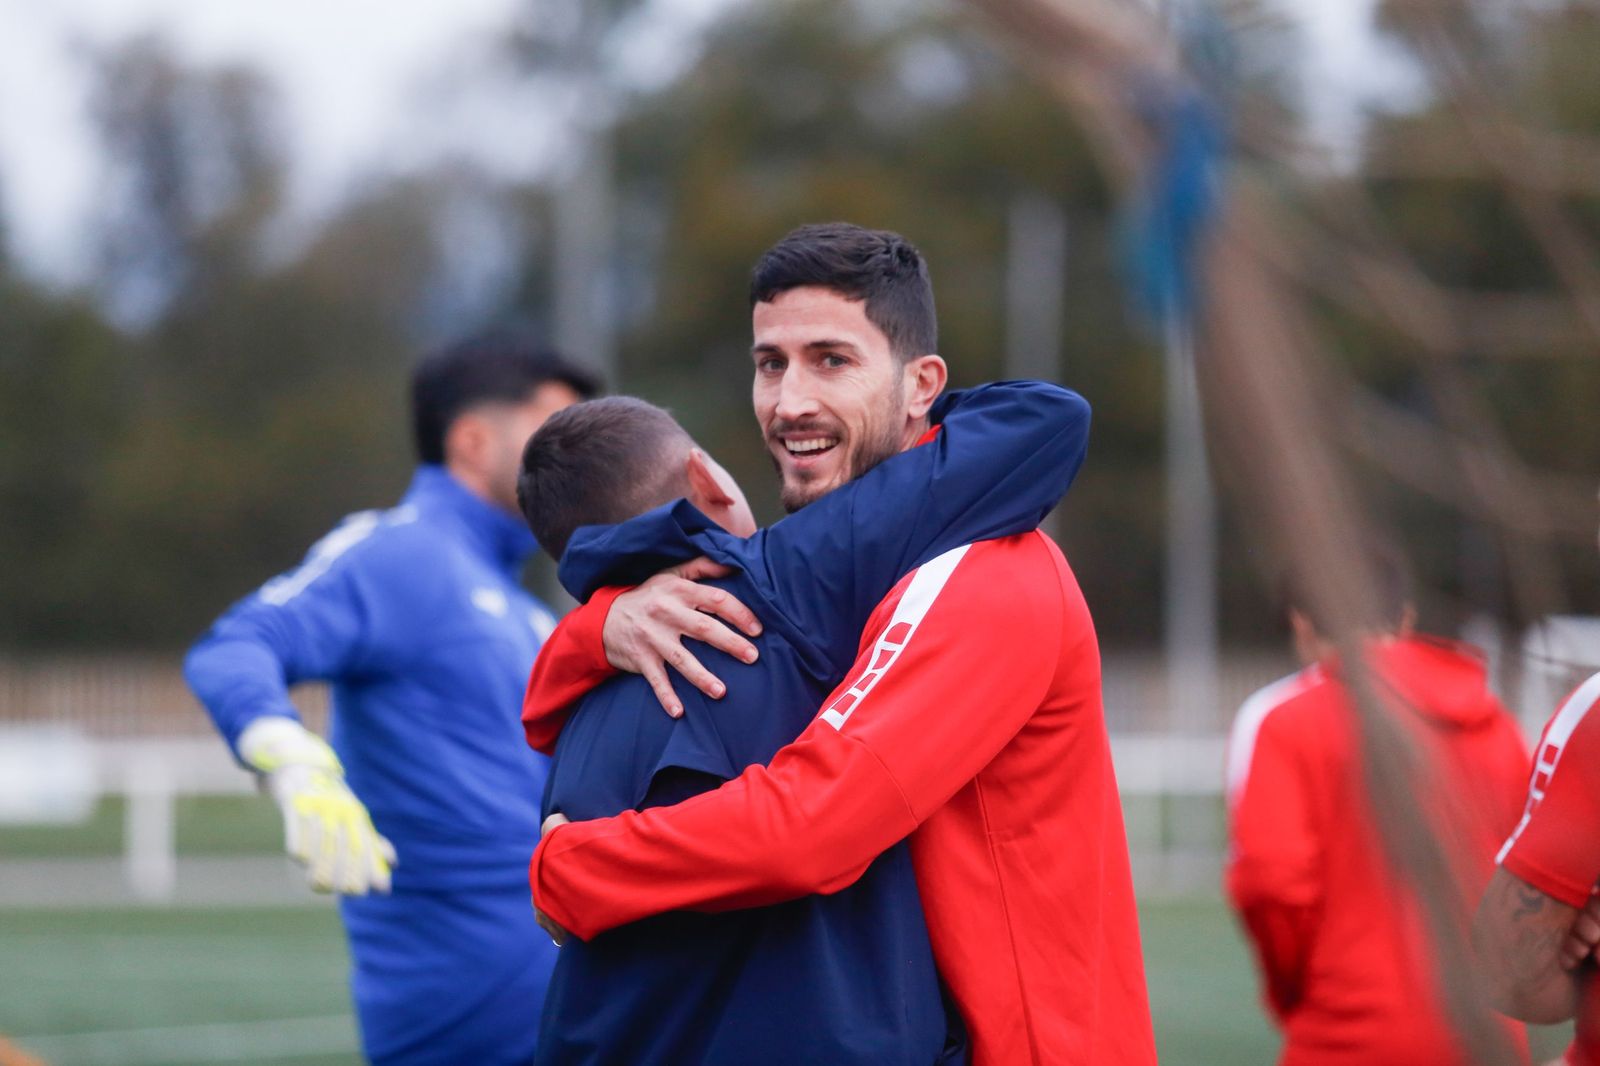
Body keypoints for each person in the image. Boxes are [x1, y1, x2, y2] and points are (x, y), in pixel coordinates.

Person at [524, 222, 1156, 1065]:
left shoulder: (984, 574)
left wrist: (572, 869)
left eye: (832, 359)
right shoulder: (839, 567)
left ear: (921, 383)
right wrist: (595, 630)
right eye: (769, 363)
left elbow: (811, 825)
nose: (790, 402)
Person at [184, 333, 597, 1065]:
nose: (579, 452)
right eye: (555, 427)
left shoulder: (530, 608)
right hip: (457, 1034)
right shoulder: (400, 554)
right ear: (472, 439)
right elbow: (236, 647)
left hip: (572, 1013)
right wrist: (289, 759)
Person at [1225, 548, 1531, 1065]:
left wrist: (1299, 989)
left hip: (1349, 1033)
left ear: (1301, 622)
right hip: (1490, 1035)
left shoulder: (1289, 725)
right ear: (1406, 619)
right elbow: (1531, 879)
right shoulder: (1495, 725)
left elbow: (1270, 882)